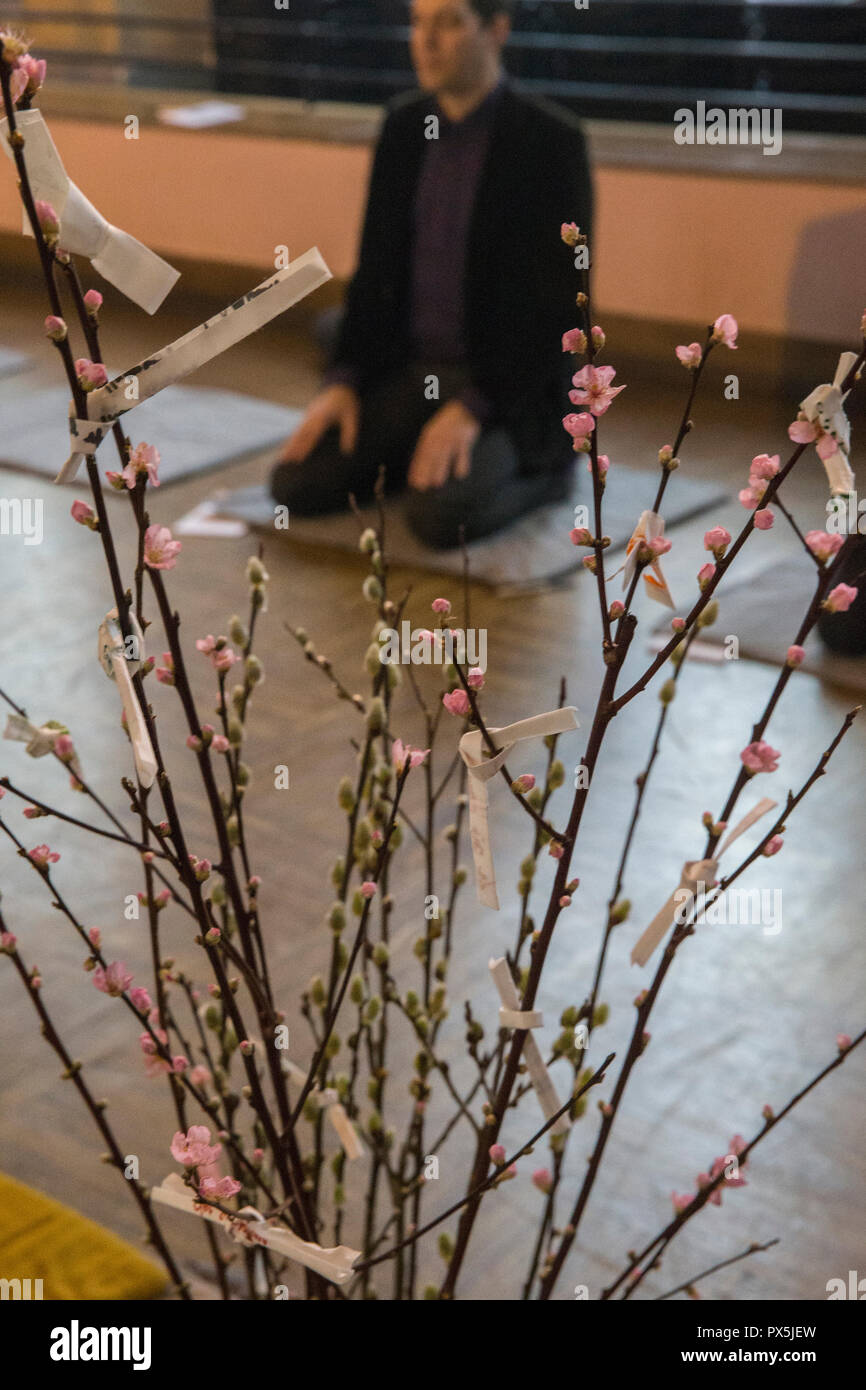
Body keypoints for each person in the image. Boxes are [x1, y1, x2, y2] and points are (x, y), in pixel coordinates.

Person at [271, 0, 593, 550]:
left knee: (440, 518)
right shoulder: (403, 126)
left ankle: (546, 473)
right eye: (418, 22)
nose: (426, 40)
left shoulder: (550, 140)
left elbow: (557, 306)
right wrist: (343, 380)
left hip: (510, 385)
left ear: (496, 29)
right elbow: (374, 271)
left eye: (448, 22)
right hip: (416, 371)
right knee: (295, 484)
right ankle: (418, 450)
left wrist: (475, 406)